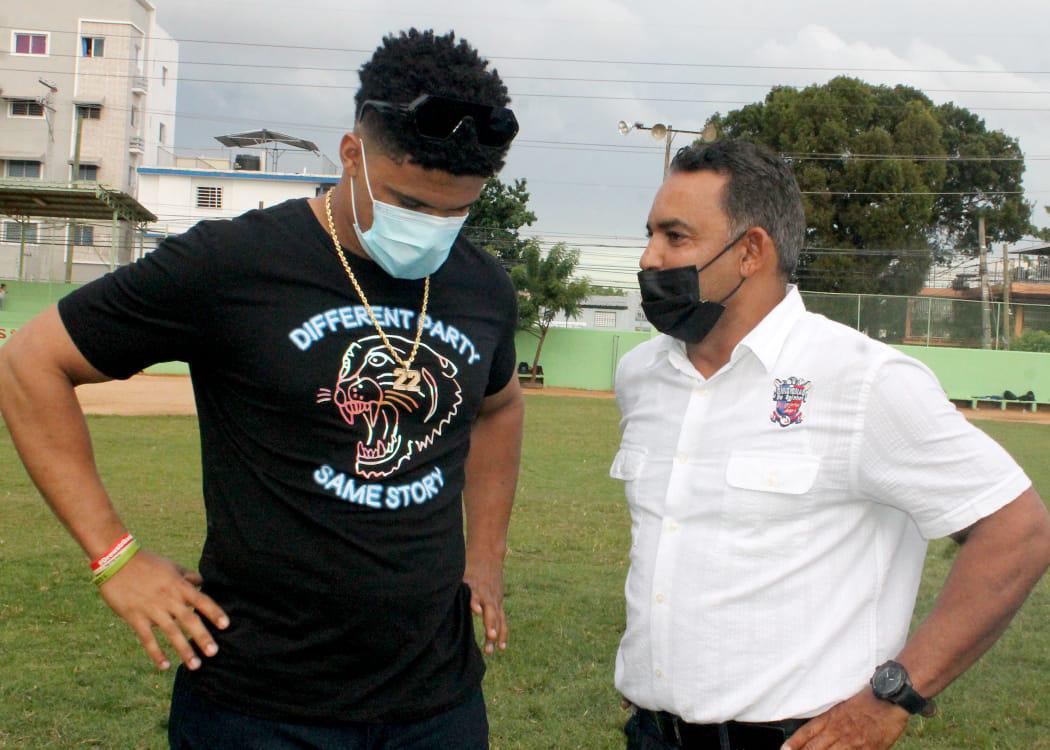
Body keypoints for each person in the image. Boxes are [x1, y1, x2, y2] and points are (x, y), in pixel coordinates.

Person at [0, 29, 524, 750]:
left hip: (435, 704)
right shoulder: (232, 264)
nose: (432, 228)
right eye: (410, 202)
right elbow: (30, 362)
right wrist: (114, 557)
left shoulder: (482, 285)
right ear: (351, 155)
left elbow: (498, 407)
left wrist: (485, 557)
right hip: (258, 706)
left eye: (455, 210)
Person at [611, 139, 1050, 750]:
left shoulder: (865, 380)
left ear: (751, 252)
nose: (649, 257)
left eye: (675, 237)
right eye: (651, 233)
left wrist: (895, 697)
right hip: (651, 735)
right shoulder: (641, 375)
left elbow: (1018, 531)